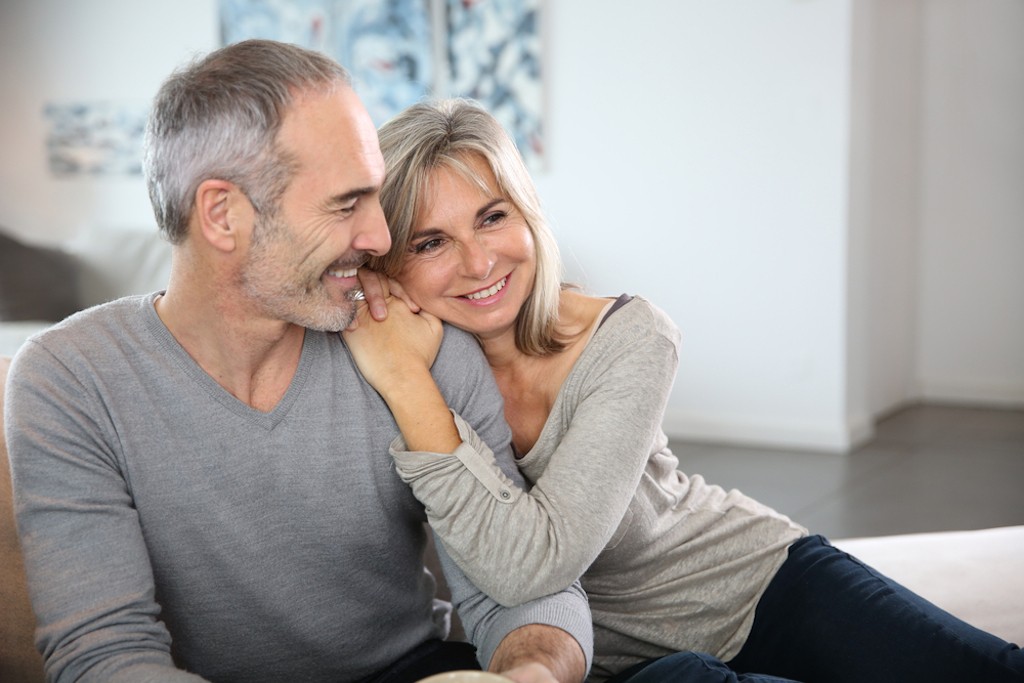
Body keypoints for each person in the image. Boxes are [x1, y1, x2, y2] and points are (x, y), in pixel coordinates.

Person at [342, 98, 1024, 683]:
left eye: (493, 217)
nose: (479, 260)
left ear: (529, 214)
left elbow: (535, 564)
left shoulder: (631, 337)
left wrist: (410, 384)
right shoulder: (405, 368)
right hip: (615, 665)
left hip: (752, 587)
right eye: (432, 241)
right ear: (389, 262)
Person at [3, 41, 593, 683]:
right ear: (222, 214)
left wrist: (529, 673)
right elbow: (106, 657)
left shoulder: (418, 344)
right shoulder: (69, 379)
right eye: (346, 204)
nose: (380, 239)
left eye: (376, 198)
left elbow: (523, 589)